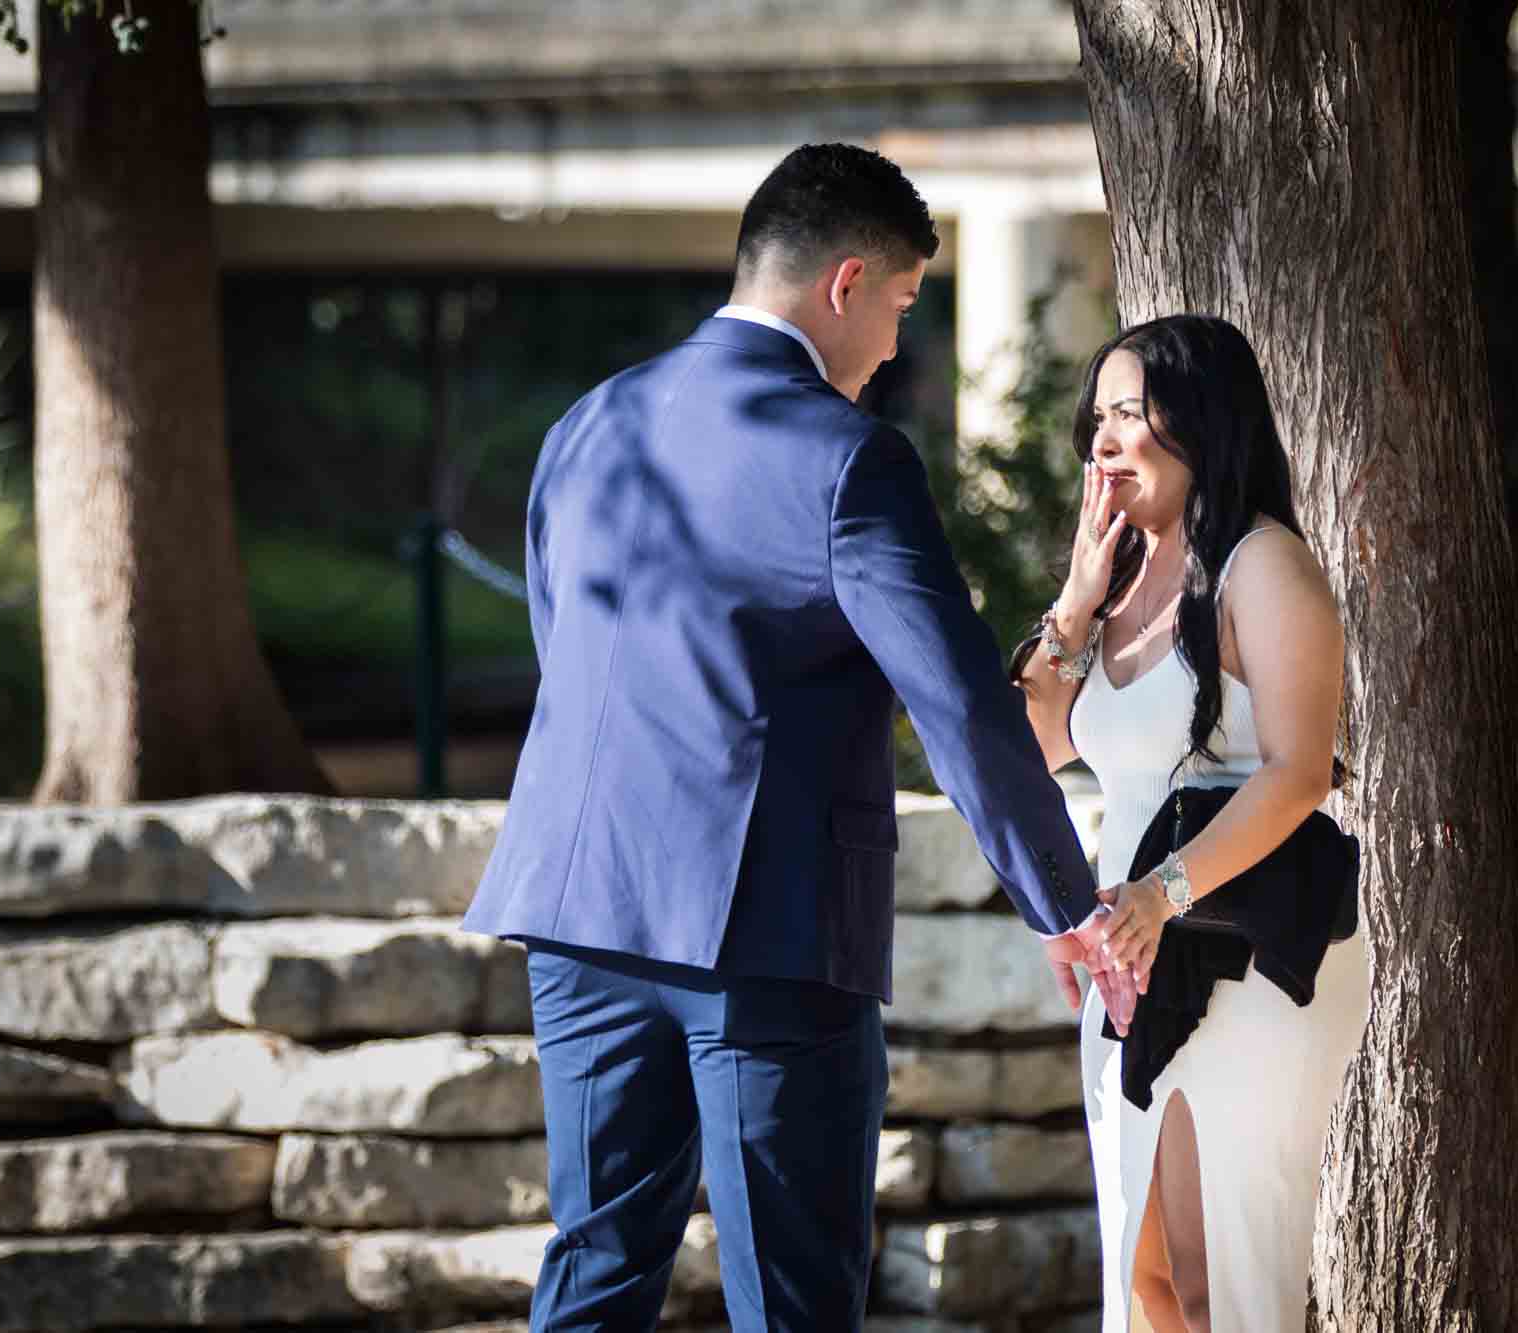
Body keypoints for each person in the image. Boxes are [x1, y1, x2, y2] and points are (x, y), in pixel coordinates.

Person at [462, 143, 1131, 1332]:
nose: (891, 347)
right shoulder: (848, 459)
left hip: (577, 908)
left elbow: (568, 641)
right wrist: (1064, 904)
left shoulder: (587, 422)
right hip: (761, 930)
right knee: (793, 1295)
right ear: (846, 280)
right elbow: (962, 707)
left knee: (597, 1269)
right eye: (901, 306)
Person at [1016, 315, 1372, 1331]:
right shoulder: (1120, 579)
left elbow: (1298, 772)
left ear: (1200, 417)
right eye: (1098, 416)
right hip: (1129, 958)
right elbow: (1027, 752)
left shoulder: (1263, 566)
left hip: (1241, 953)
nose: (1103, 438)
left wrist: (1163, 889)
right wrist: (1075, 605)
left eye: (1130, 412)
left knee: (1223, 1276)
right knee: (1145, 1278)